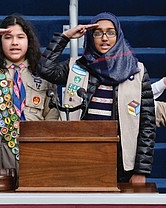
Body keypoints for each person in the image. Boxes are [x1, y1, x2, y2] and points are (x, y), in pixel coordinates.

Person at [38, 12, 156, 183]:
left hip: (122, 162)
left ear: (119, 35)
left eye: (110, 32)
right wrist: (65, 37)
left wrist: (140, 170)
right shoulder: (77, 66)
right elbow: (44, 69)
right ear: (91, 37)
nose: (104, 38)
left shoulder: (137, 71)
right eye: (98, 33)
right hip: (81, 157)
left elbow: (147, 124)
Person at [0, 15, 59, 182]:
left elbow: (52, 117)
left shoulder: (43, 74)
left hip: (35, 150)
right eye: (8, 37)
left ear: (29, 41)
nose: (14, 42)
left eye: (20, 37)